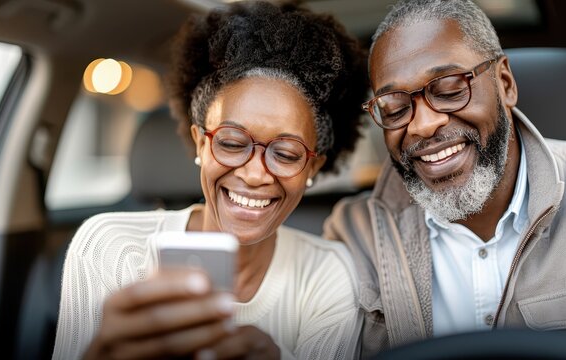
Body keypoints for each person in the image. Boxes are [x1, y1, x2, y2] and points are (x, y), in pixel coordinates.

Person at [53, 1, 368, 359]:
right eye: (232, 143)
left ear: (312, 168)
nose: (254, 173)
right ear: (202, 143)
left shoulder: (329, 275)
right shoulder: (111, 248)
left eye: (286, 153)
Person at [324, 0, 566, 356]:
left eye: (450, 89)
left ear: (504, 84)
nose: (424, 125)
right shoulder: (356, 235)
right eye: (394, 108)